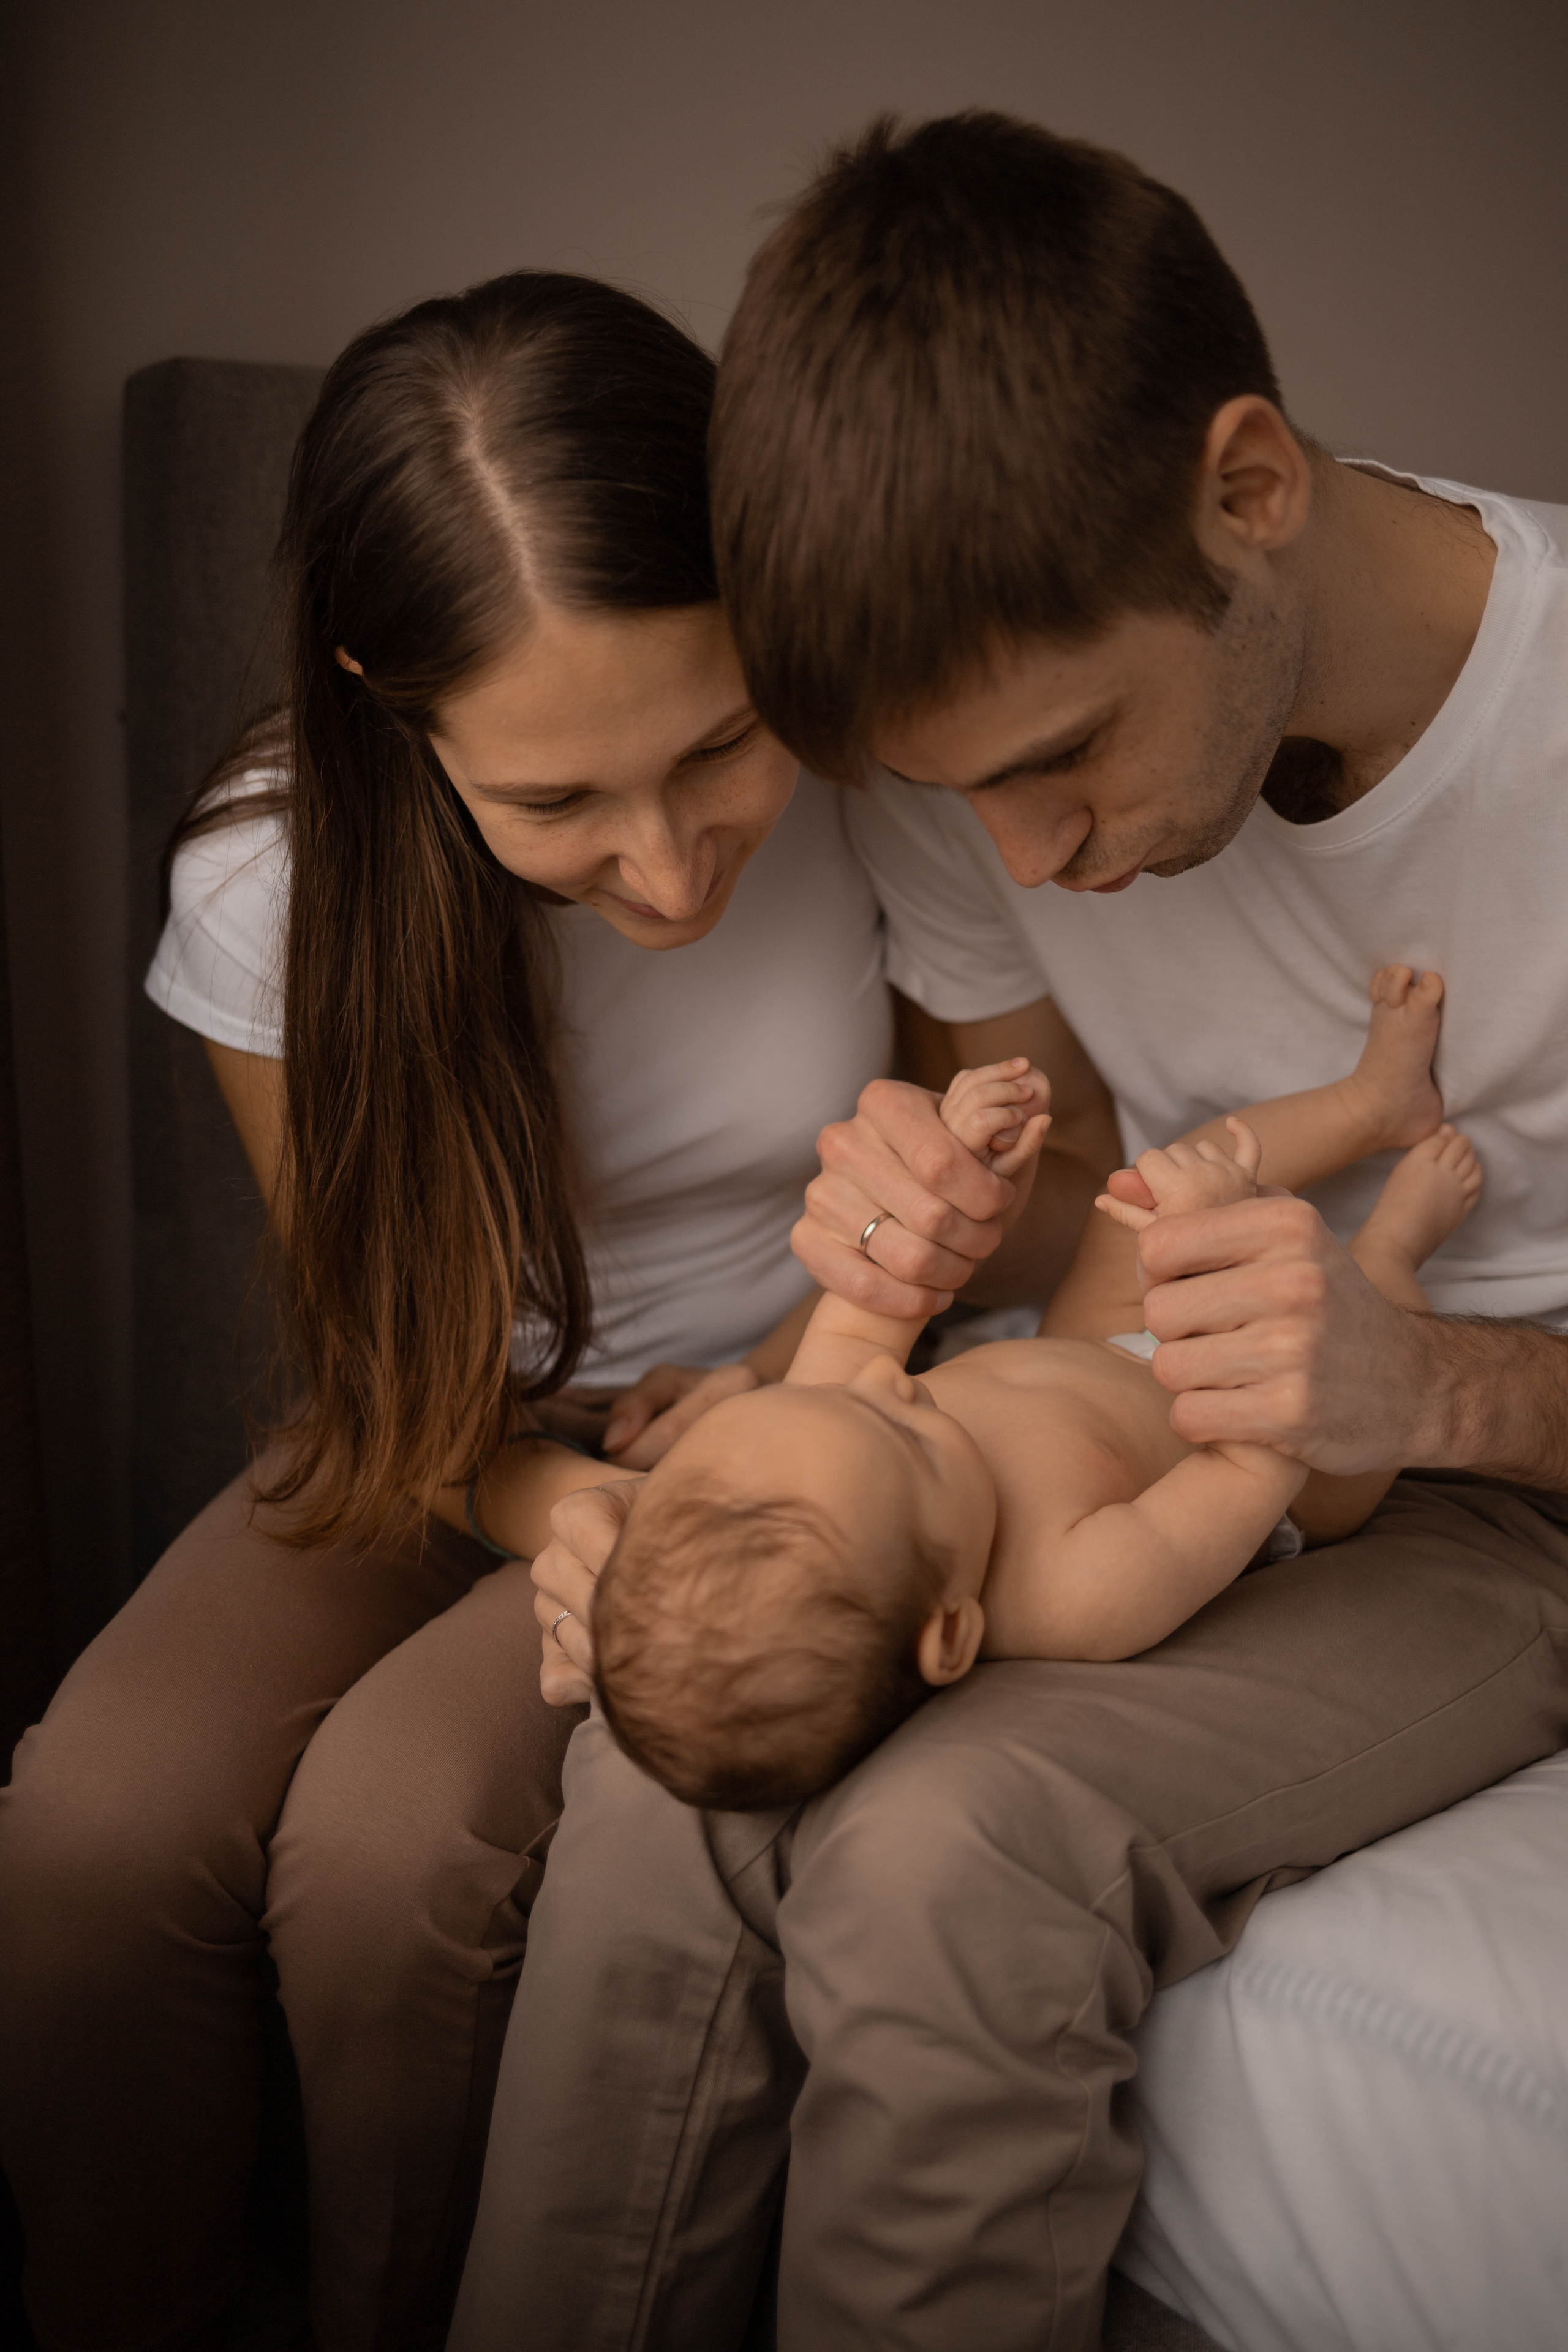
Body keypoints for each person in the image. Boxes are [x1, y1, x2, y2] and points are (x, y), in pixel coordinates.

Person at [450, 114, 1568, 2352]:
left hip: (1493, 1505)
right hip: (1123, 1394)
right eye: (970, 799)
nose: (1032, 860)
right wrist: (930, 1218)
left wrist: (1437, 1380)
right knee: (679, 1787)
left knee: (959, 1853)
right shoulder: (981, 784)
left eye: (1066, 757)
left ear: (1245, 487)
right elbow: (1072, 1175)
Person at [0, 268, 1114, 2352]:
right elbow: (373, 1359)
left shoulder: (889, 785)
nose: (675, 874)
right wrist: (559, 1511)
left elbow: (1062, 1176)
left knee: (400, 1850)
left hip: (802, 1403)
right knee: (88, 1830)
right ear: (390, 706)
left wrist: (815, 1353)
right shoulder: (270, 883)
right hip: (447, 1429)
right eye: (554, 809)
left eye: (717, 749)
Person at [594, 971, 1482, 1811]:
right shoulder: (1073, 1597)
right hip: (1264, 1434)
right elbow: (1253, 1466)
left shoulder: (827, 1424)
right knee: (1350, 1331)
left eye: (819, 1395)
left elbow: (880, 1305)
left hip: (1091, 1343)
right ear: (950, 1633)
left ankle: (1371, 1104)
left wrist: (959, 1161)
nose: (882, 1383)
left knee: (1139, 1190)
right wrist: (1224, 1229)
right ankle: (1397, 1244)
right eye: (907, 1436)